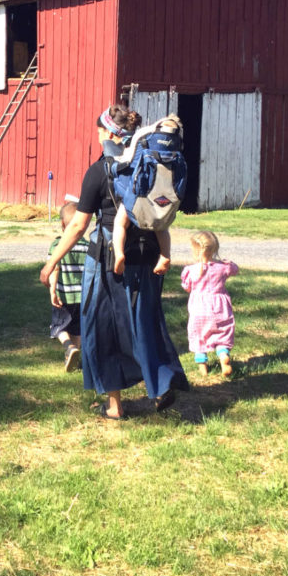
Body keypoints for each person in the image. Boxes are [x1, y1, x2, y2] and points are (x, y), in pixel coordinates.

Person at [40, 104, 189, 420]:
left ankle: (115, 405)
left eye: (98, 132)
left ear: (109, 133)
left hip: (109, 262)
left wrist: (51, 261)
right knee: (146, 324)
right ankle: (161, 386)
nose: (97, 137)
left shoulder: (99, 170)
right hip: (148, 258)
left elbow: (79, 225)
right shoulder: (147, 165)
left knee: (105, 330)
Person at [110, 115, 184, 276]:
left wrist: (115, 164)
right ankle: (165, 255)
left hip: (139, 193)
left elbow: (128, 161)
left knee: (120, 223)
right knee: (162, 227)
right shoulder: (176, 143)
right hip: (163, 196)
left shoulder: (144, 135)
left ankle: (119, 253)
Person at [180, 231, 239, 377]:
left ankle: (203, 369)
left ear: (195, 249)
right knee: (222, 332)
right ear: (215, 248)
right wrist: (227, 261)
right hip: (220, 307)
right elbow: (235, 269)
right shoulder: (223, 267)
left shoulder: (190, 270)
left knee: (199, 336)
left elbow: (187, 287)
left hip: (199, 309)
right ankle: (223, 355)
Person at [47, 201, 89, 372]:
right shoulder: (87, 246)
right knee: (77, 328)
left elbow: (54, 268)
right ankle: (76, 356)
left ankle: (69, 347)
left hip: (64, 296)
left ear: (63, 224)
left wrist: (52, 289)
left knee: (59, 327)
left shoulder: (57, 245)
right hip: (82, 297)